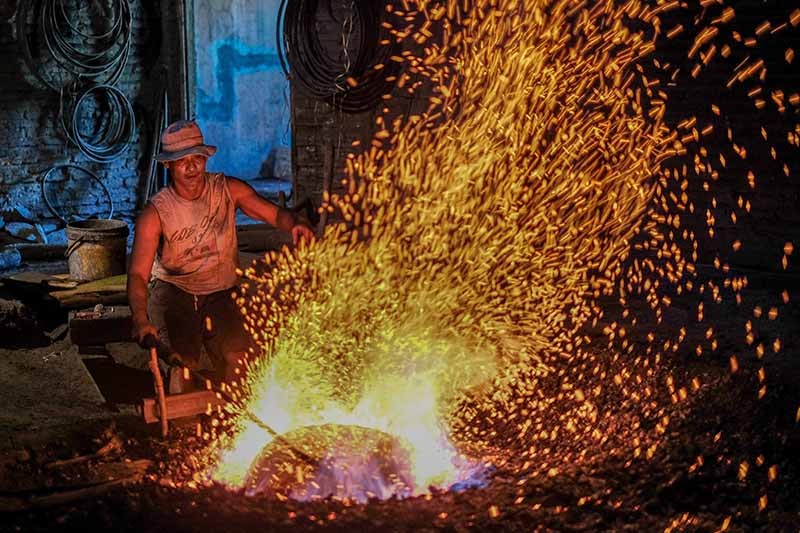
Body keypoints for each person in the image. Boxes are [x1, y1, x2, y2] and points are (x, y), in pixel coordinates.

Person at [127, 120, 314, 391]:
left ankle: (236, 414)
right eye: (182, 161)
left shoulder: (228, 190)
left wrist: (294, 223)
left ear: (205, 158)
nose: (192, 167)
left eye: (197, 158)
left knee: (241, 360)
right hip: (174, 292)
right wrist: (140, 318)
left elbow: (274, 214)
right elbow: (137, 274)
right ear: (168, 164)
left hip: (221, 293)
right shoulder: (156, 213)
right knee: (183, 369)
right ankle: (182, 408)